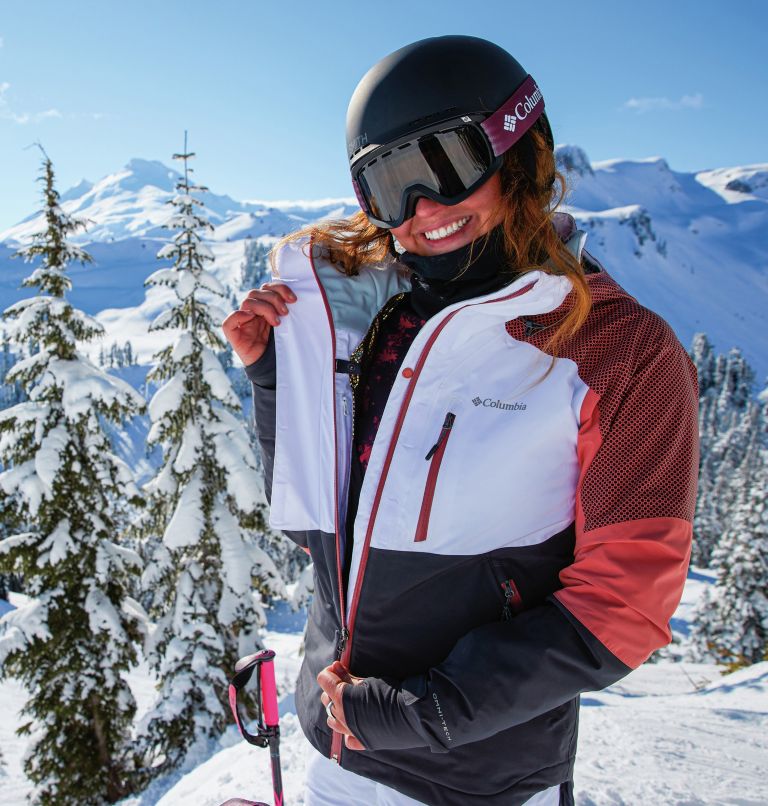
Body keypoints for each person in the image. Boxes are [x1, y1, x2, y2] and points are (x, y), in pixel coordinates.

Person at [222, 35, 699, 806]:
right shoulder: (384, 323)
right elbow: (320, 528)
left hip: (485, 779)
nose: (423, 211)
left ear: (520, 154)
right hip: (340, 757)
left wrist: (419, 713)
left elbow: (625, 605)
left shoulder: (618, 351)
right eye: (389, 186)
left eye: (442, 166)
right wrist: (274, 376)